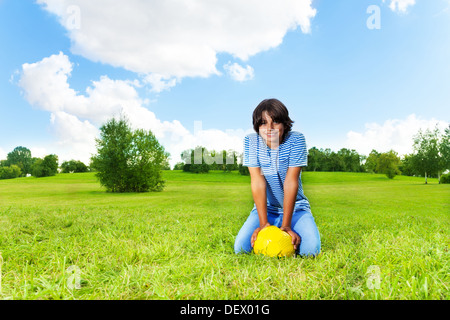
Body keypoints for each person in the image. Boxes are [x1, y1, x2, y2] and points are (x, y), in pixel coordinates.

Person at [234, 98, 321, 257]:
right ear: (257, 126)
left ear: (285, 124)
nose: (269, 128)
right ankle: (272, 223)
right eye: (263, 123)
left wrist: (287, 226)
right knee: (240, 248)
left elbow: (291, 182)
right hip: (267, 209)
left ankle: (289, 225)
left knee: (310, 251)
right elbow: (257, 182)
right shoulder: (251, 142)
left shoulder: (296, 139)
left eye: (275, 122)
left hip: (297, 209)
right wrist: (263, 224)